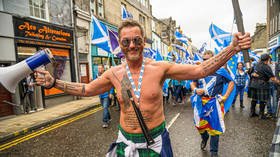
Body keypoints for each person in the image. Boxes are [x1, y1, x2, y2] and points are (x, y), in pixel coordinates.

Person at [35, 20, 251, 156]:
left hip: (156, 142)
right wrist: (55, 83)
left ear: (144, 42)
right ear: (120, 44)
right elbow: (86, 90)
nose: (132, 45)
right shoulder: (114, 73)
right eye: (126, 41)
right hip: (125, 143)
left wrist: (232, 48)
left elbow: (201, 70)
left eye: (136, 40)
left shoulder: (159, 68)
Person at [190, 50, 235, 157]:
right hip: (200, 103)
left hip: (215, 103)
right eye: (204, 59)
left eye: (209, 59)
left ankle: (214, 152)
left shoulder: (221, 71)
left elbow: (231, 82)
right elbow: (193, 82)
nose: (206, 61)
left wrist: (225, 96)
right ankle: (204, 137)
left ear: (213, 59)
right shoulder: (199, 70)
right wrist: (196, 90)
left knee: (215, 127)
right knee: (199, 126)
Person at [248, 53, 280, 119]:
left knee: (254, 99)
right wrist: (278, 82)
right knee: (262, 100)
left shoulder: (256, 64)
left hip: (253, 84)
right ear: (268, 59)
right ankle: (261, 115)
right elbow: (273, 78)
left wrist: (253, 74)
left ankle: (252, 112)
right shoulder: (266, 67)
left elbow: (250, 71)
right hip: (262, 85)